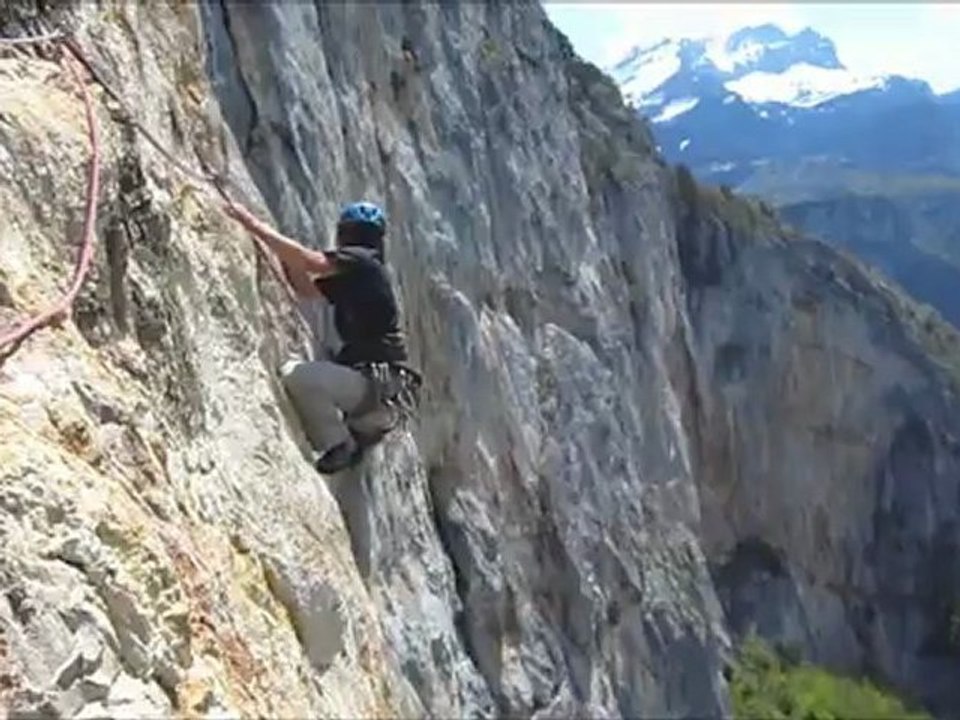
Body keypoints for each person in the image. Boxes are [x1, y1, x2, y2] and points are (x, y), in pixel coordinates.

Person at [224, 199, 420, 473]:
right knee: (304, 372)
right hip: (379, 392)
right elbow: (307, 289)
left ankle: (340, 444)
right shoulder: (363, 274)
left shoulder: (361, 261)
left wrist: (252, 224)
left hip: (371, 386)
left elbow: (310, 262)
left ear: (344, 234)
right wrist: (284, 257)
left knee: (298, 376)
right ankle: (353, 435)